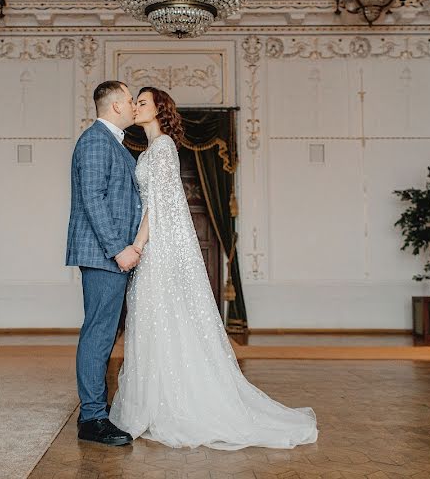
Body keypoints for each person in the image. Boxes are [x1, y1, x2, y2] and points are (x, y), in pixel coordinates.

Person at [109, 86, 319, 450]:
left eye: (142, 102)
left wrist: (138, 246)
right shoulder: (151, 151)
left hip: (157, 248)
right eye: (135, 102)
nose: (136, 106)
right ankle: (157, 403)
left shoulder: (161, 150)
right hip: (157, 247)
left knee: (158, 320)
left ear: (159, 110)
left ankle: (170, 406)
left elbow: (157, 208)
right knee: (154, 322)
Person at [65, 80, 141, 446]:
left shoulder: (115, 143)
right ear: (114, 106)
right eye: (129, 100)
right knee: (99, 332)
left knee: (105, 333)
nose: (133, 105)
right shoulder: (96, 140)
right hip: (102, 254)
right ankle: (92, 418)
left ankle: (97, 411)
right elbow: (93, 199)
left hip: (112, 254)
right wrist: (118, 249)